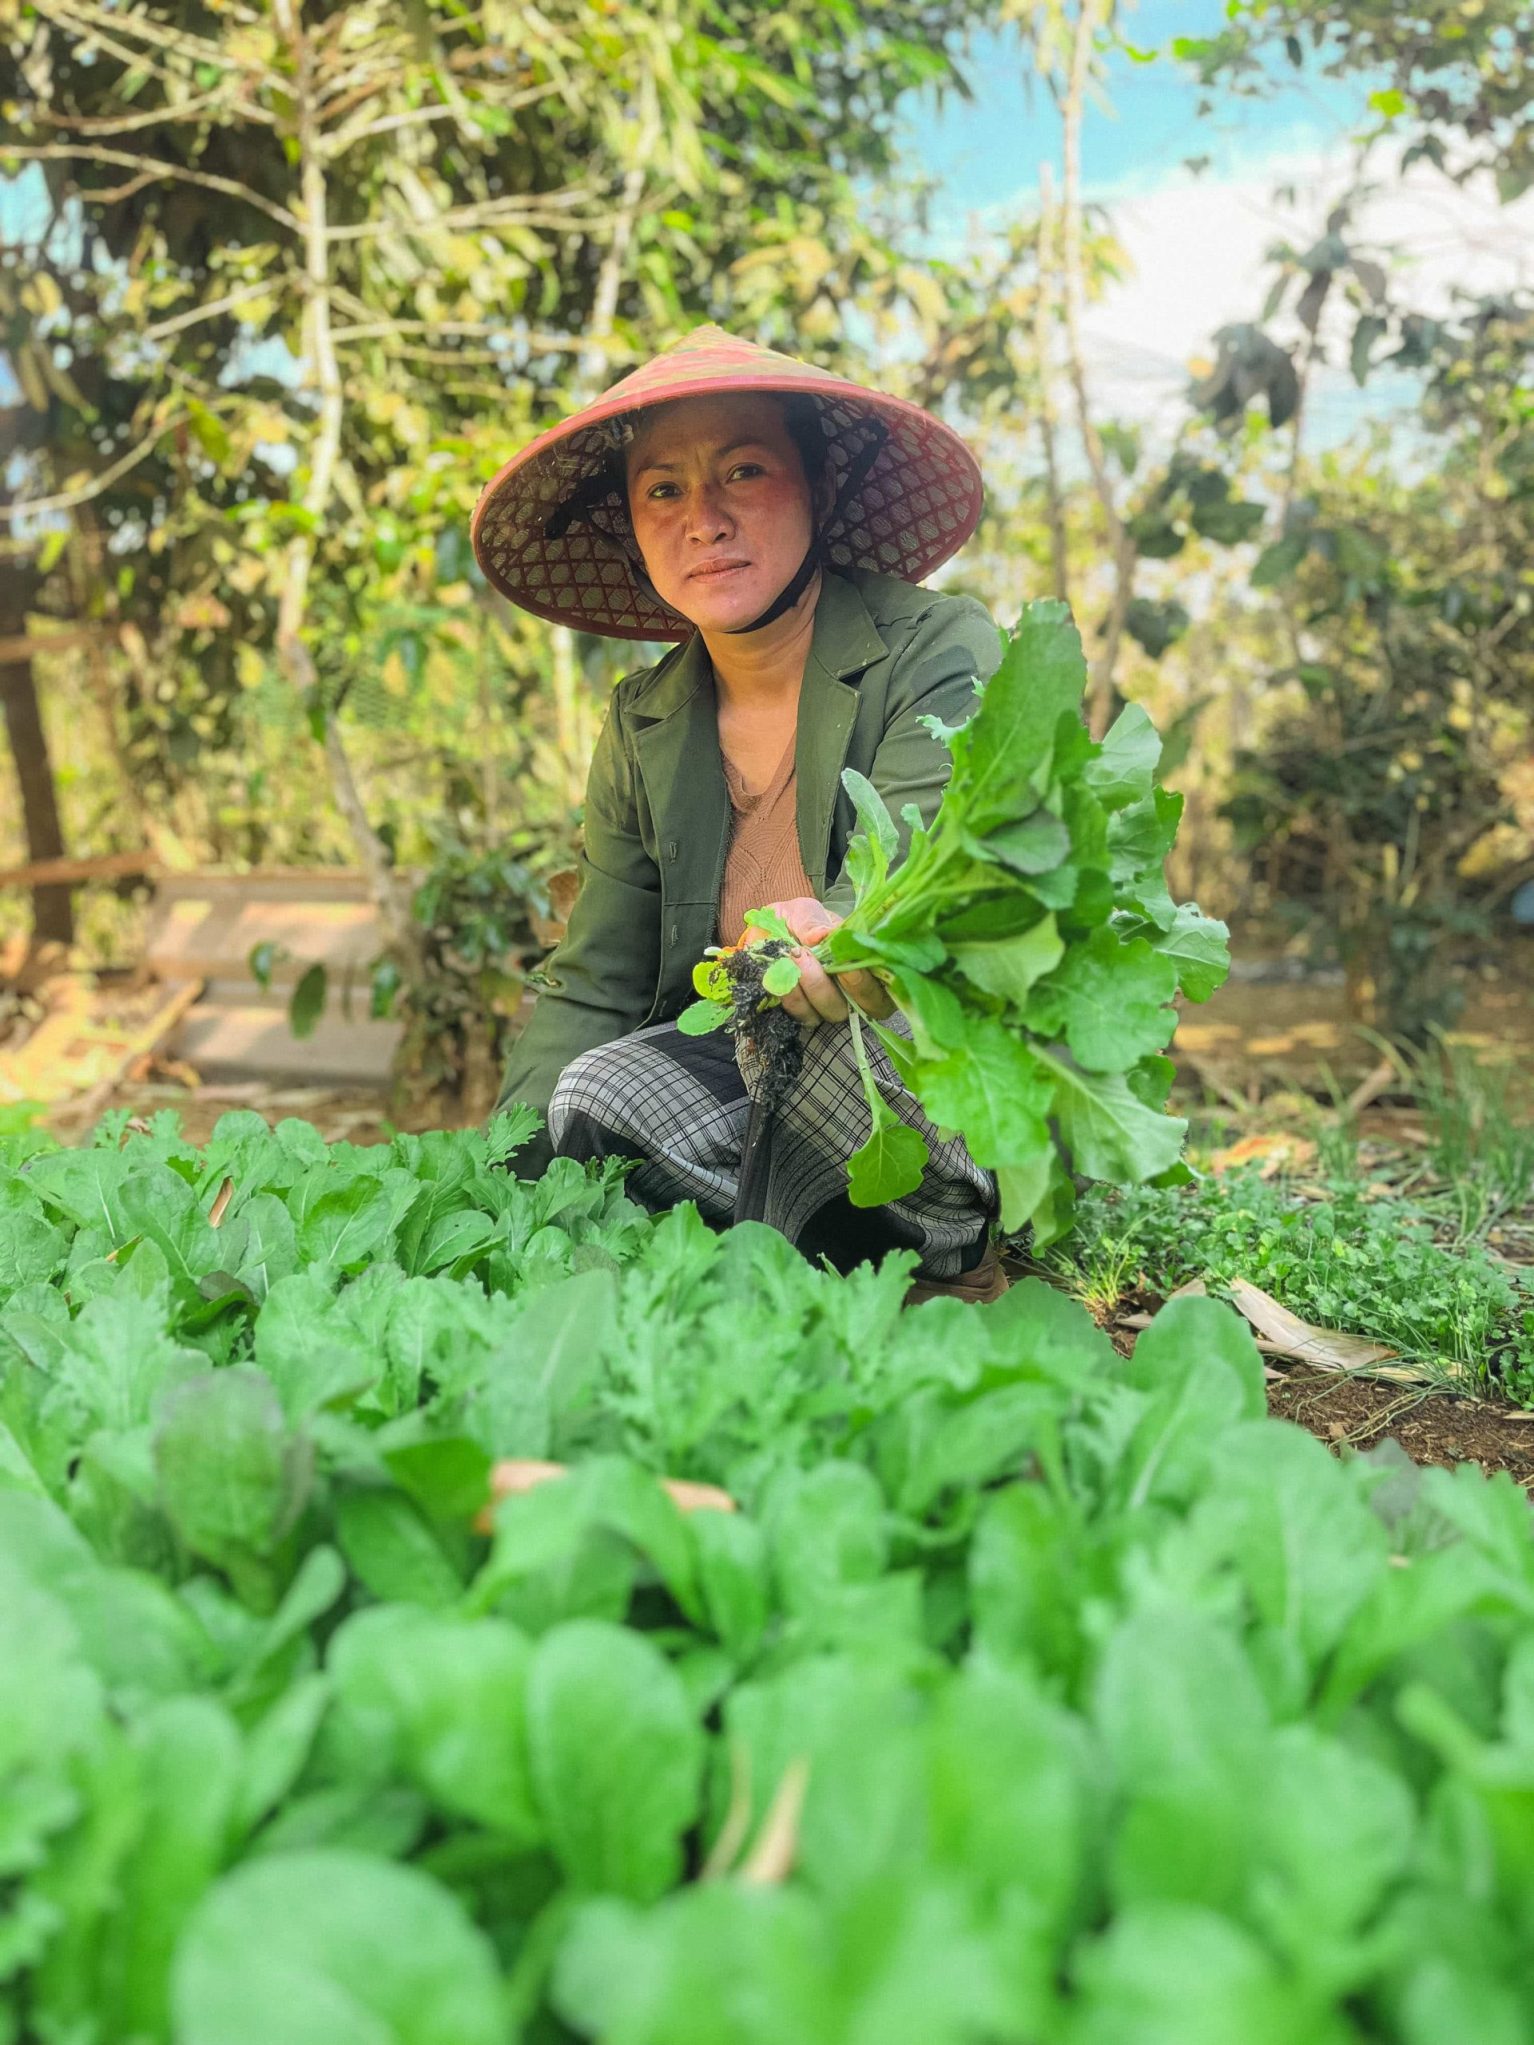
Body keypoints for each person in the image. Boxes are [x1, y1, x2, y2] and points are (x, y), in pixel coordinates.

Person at [470, 323, 1008, 1302]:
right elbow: (594, 982)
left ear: (821, 488)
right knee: (589, 1092)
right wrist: (495, 1174)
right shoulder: (645, 720)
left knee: (799, 1025)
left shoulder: (937, 646)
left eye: (745, 471)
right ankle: (800, 1253)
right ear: (632, 528)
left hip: (919, 1072)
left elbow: (919, 874)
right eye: (662, 489)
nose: (702, 519)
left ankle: (920, 1259)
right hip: (744, 1085)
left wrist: (841, 932)